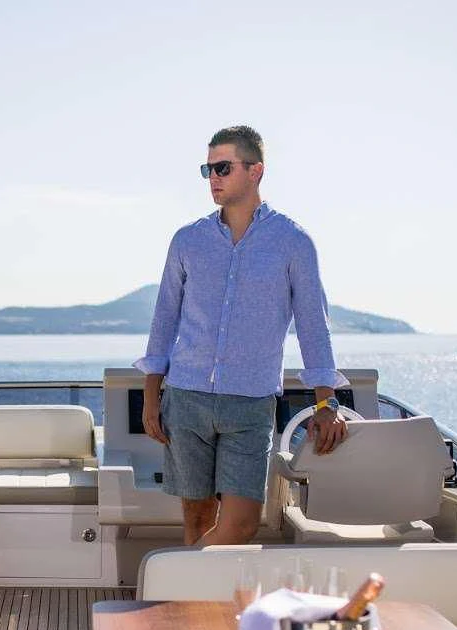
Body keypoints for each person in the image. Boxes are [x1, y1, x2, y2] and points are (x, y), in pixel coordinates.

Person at [135, 126, 349, 546]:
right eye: (208, 168)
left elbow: (312, 325)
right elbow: (164, 320)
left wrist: (327, 402)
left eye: (223, 167)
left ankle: (174, 579)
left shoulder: (293, 242)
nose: (212, 177)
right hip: (186, 397)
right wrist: (150, 396)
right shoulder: (187, 241)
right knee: (197, 518)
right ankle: (195, 606)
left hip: (250, 404)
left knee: (242, 525)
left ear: (256, 171)